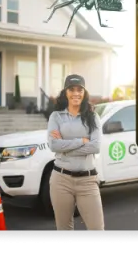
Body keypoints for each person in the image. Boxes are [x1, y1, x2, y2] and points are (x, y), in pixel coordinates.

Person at [47, 74, 105, 231]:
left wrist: (65, 148)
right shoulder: (56, 116)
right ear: (65, 92)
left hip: (87, 181)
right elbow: (53, 145)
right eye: (71, 89)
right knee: (64, 229)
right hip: (61, 180)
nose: (76, 93)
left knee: (97, 229)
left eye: (80, 89)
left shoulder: (93, 116)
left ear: (84, 93)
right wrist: (81, 141)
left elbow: (96, 147)